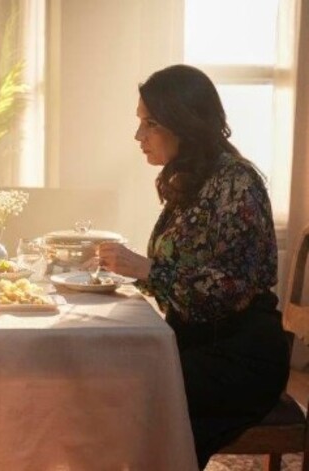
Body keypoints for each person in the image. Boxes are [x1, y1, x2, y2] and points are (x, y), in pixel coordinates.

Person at [86, 64, 290, 469]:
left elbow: (229, 291)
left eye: (150, 123)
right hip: (196, 344)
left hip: (239, 356)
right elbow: (178, 272)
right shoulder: (192, 179)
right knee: (110, 375)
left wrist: (146, 270)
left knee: (131, 395)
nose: (139, 135)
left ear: (184, 122)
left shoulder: (237, 182)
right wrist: (122, 266)